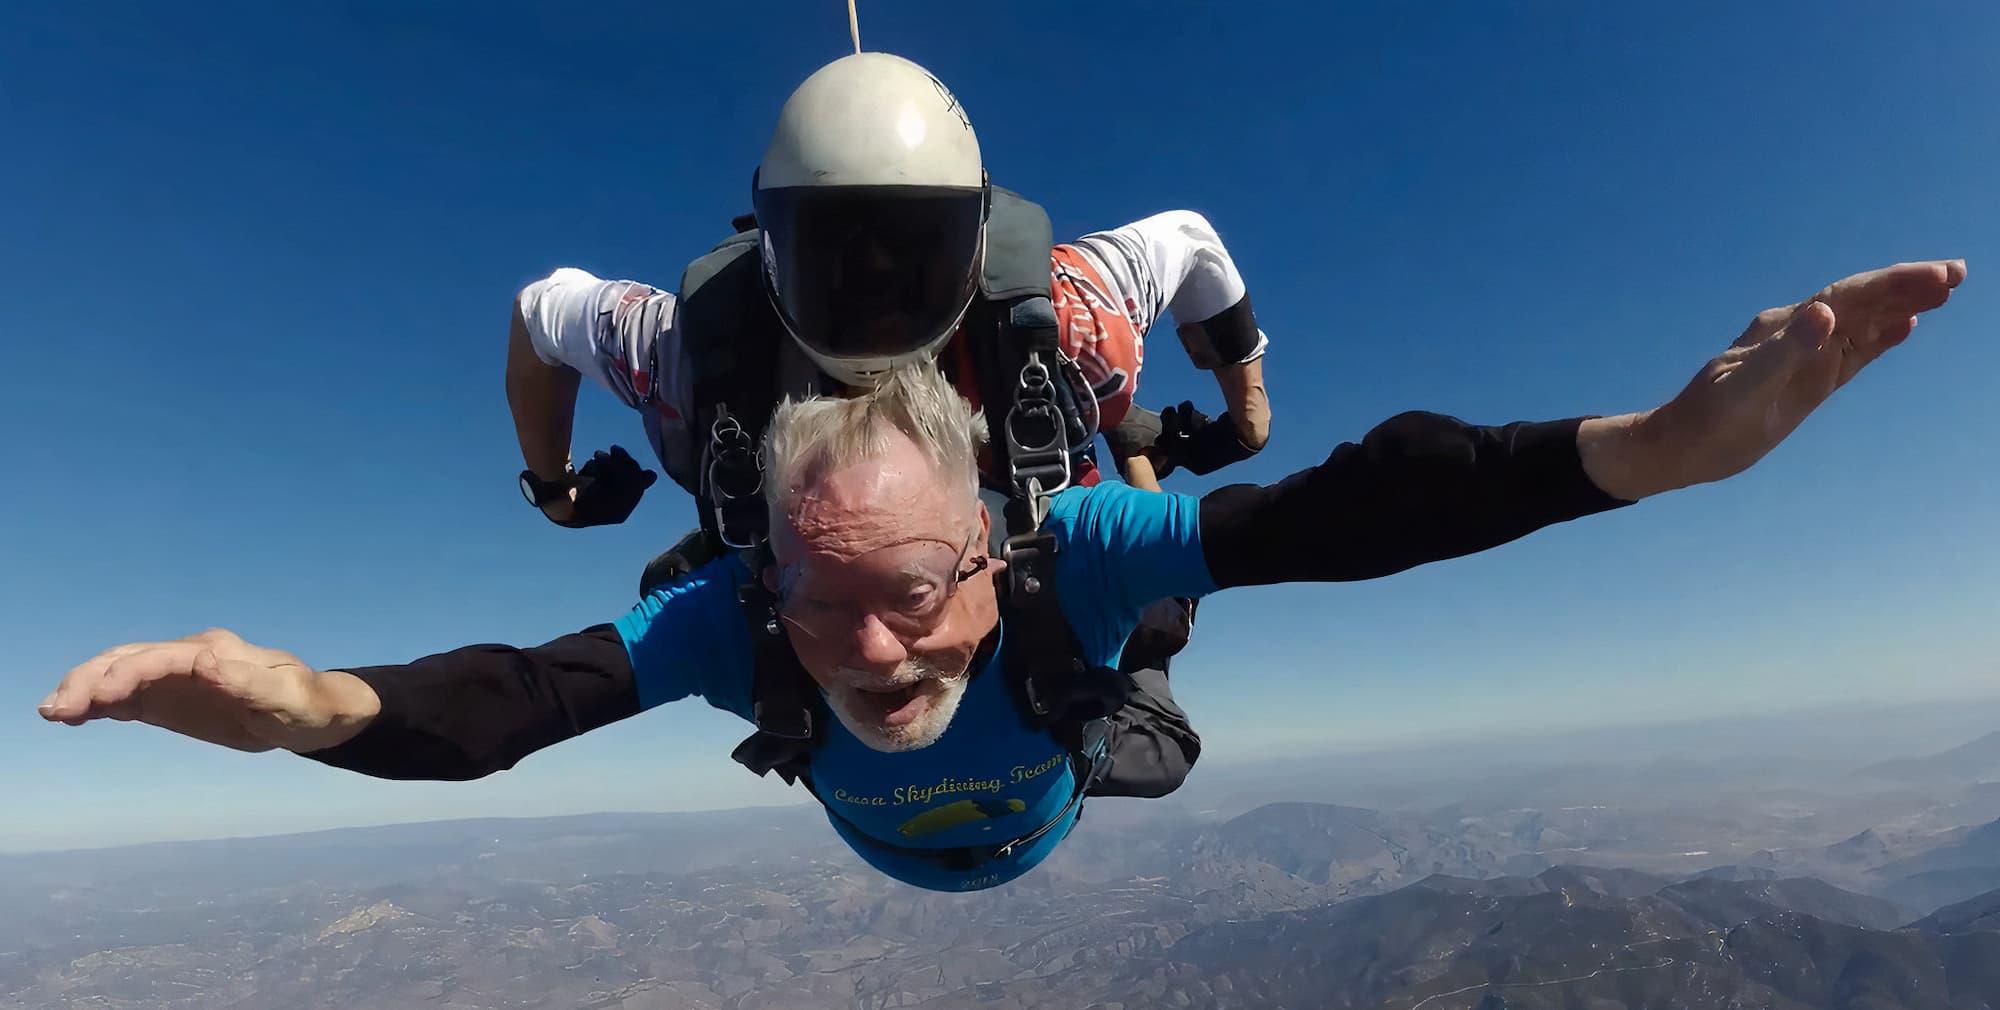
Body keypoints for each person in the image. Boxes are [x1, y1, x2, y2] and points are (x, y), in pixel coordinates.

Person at [39, 258, 1968, 893]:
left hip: (1061, 642)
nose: (870, 648)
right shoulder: (747, 606)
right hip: (1010, 764)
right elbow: (517, 705)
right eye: (821, 595)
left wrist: (1651, 451)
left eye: (914, 586)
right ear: (770, 567)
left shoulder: (1067, 551)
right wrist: (306, 710)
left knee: (1171, 547)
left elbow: (1348, 514)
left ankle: (1132, 445)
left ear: (991, 539)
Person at [504, 51, 1273, 546]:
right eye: (835, 257)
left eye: (910, 253)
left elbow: (544, 311)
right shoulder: (1082, 317)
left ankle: (1130, 445)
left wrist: (561, 491)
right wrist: (1244, 423)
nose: (875, 298)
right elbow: (1191, 241)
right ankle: (1131, 443)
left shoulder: (685, 356)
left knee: (1148, 613)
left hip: (981, 536)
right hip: (1014, 502)